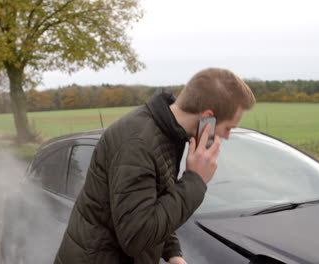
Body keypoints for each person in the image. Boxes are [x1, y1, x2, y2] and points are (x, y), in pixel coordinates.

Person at [54, 68, 256, 264]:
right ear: (207, 117)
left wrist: (172, 252)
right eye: (228, 128)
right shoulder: (138, 144)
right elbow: (136, 237)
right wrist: (195, 180)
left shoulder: (167, 134)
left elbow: (152, 202)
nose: (227, 137)